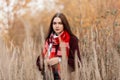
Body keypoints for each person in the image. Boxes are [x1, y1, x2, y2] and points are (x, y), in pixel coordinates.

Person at [36, 12, 81, 80]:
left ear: (64, 25)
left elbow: (77, 62)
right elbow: (38, 61)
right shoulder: (48, 40)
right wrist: (45, 62)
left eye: (60, 23)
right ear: (52, 25)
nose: (57, 26)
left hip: (64, 77)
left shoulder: (72, 39)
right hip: (48, 76)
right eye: (54, 23)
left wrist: (59, 60)